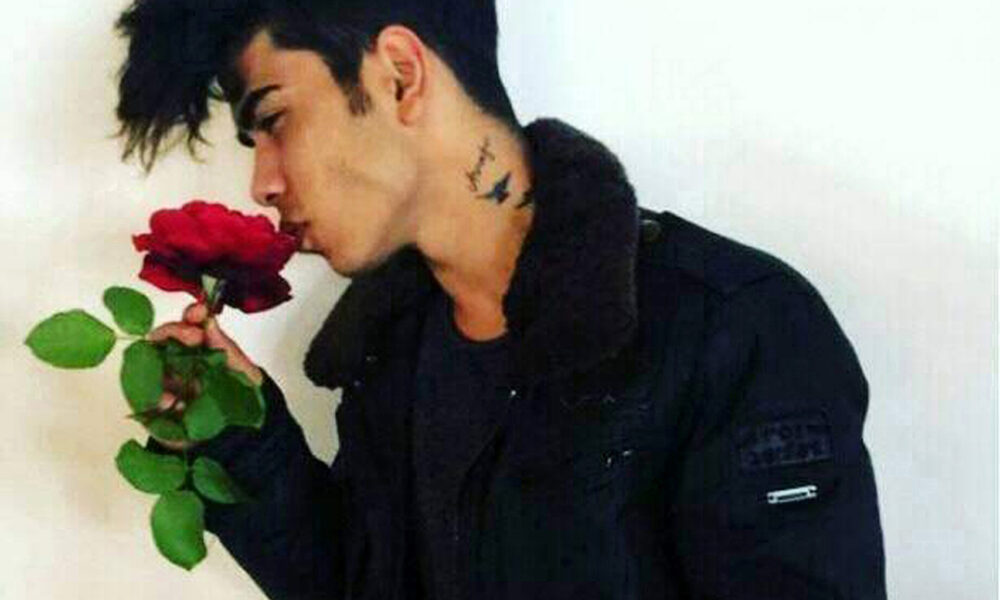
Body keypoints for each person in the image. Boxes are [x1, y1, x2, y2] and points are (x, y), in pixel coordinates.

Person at [113, 0, 888, 598]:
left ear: (399, 74)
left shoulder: (735, 327)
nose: (263, 183)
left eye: (276, 120)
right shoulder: (389, 356)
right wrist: (242, 439)